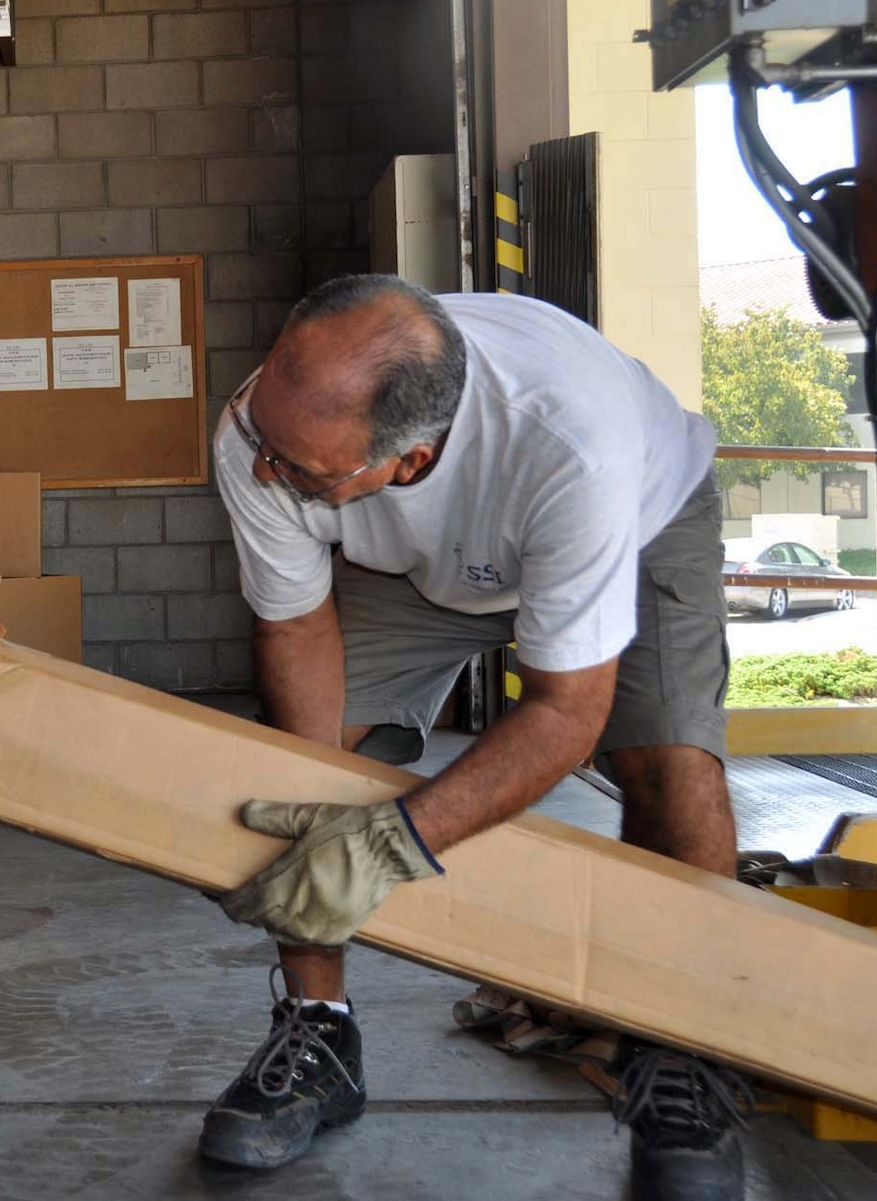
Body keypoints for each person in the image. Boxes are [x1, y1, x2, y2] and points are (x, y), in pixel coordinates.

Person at [200, 274, 747, 1201]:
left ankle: (683, 1055)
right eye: (266, 439)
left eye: (300, 473)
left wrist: (391, 844)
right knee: (287, 774)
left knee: (672, 766)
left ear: (408, 461)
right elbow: (296, 628)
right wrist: (316, 791)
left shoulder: (575, 445)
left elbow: (567, 711)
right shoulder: (262, 433)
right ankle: (318, 1030)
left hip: (638, 523)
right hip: (421, 569)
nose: (266, 473)